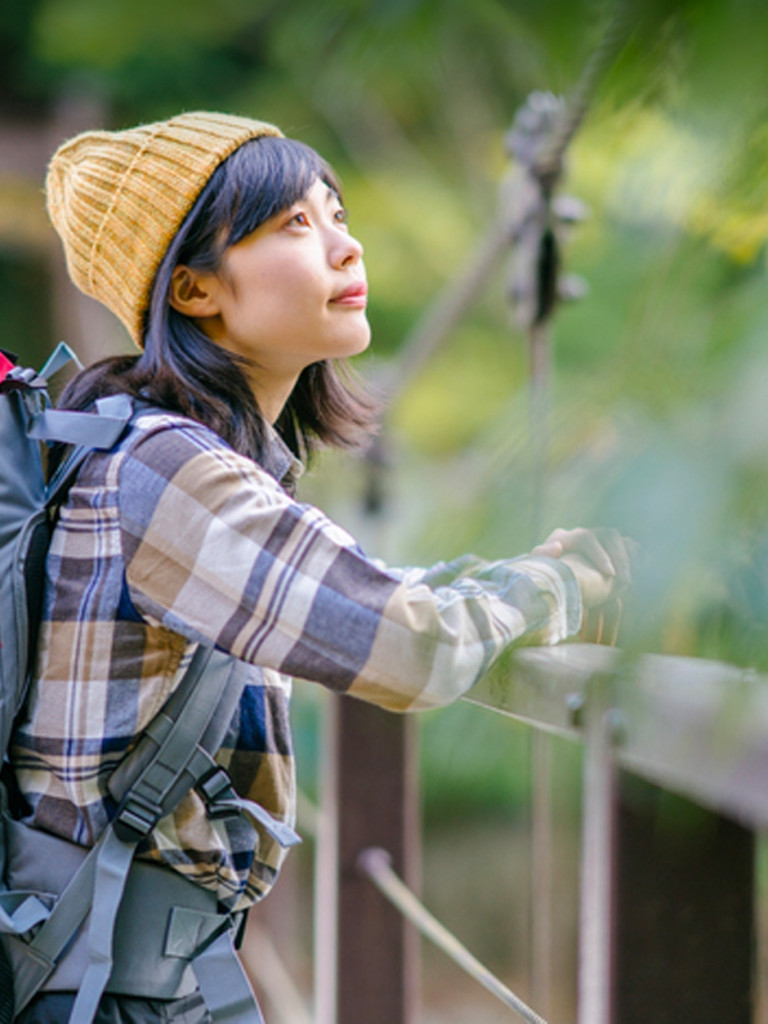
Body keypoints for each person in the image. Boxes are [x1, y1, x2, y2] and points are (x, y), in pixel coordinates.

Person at [7, 111, 630, 1024]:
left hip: (122, 975)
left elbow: (363, 598)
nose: (345, 244)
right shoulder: (163, 471)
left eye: (334, 211)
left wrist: (490, 580)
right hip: (109, 991)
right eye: (295, 224)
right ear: (191, 289)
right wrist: (563, 587)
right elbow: (408, 647)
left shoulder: (164, 457)